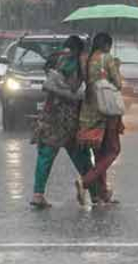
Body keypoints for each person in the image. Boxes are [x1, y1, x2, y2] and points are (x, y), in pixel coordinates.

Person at [29, 35, 97, 209]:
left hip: (50, 114)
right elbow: (79, 88)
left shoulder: (55, 59)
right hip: (69, 117)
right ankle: (96, 193)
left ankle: (38, 194)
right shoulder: (78, 62)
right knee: (80, 155)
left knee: (45, 154)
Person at [76, 33, 124, 205]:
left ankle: (103, 193)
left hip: (88, 112)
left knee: (99, 153)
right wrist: (116, 67)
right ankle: (86, 181)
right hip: (106, 112)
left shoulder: (85, 60)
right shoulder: (108, 59)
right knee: (113, 150)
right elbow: (118, 84)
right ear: (106, 46)